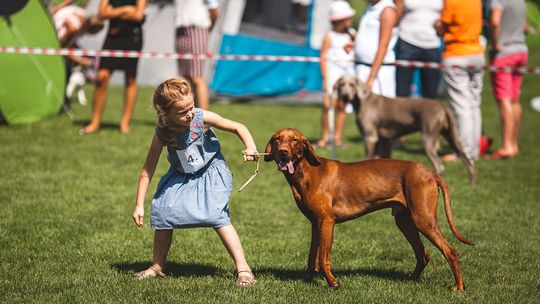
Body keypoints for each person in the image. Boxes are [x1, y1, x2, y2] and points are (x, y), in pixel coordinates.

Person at [132, 78, 258, 286]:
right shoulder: (163, 133)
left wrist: (250, 146)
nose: (190, 113)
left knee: (217, 215)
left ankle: (243, 269)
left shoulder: (201, 118)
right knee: (163, 211)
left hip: (211, 172)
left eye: (191, 107)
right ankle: (157, 266)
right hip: (181, 175)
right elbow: (147, 170)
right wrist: (139, 205)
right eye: (182, 112)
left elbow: (238, 127)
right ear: (165, 113)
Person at [81, 0, 147, 135]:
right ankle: (95, 122)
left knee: (130, 80)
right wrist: (127, 10)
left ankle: (124, 123)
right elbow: (102, 13)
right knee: (101, 77)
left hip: (132, 38)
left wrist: (114, 12)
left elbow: (139, 16)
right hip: (113, 36)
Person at [435, 0, 484, 161]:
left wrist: (436, 25)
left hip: (457, 53)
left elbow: (443, 27)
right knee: (473, 103)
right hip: (477, 53)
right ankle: (473, 150)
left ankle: (464, 152)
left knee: (461, 105)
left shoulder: (451, 1)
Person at [487, 0, 528, 159]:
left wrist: (495, 43)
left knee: (504, 100)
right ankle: (513, 144)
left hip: (504, 53)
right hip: (521, 51)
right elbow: (525, 27)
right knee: (514, 99)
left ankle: (506, 146)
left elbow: (495, 22)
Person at [315, 0, 356, 148]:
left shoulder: (352, 35)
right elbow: (323, 57)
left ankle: (337, 138)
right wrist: (325, 77)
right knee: (328, 105)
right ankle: (325, 137)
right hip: (332, 73)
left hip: (346, 73)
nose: (348, 22)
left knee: (342, 105)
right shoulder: (329, 36)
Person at [52, 2, 104, 113]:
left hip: (55, 29)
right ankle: (62, 104)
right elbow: (62, 47)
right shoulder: (74, 27)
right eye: (93, 32)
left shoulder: (82, 15)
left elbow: (71, 44)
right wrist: (81, 60)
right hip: (51, 40)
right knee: (66, 73)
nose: (92, 35)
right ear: (89, 27)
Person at [174, 0, 219, 110]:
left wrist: (206, 34)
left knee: (196, 77)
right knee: (184, 78)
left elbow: (215, 10)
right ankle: (186, 116)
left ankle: (203, 120)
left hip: (198, 27)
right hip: (180, 27)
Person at [394, 0, 443, 98]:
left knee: (431, 96)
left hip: (432, 44)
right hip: (407, 42)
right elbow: (396, 12)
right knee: (402, 94)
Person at [354, 0, 398, 97]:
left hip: (379, 71)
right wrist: (355, 44)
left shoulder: (387, 10)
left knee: (382, 110)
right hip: (363, 68)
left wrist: (371, 78)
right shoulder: (370, 8)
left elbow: (383, 46)